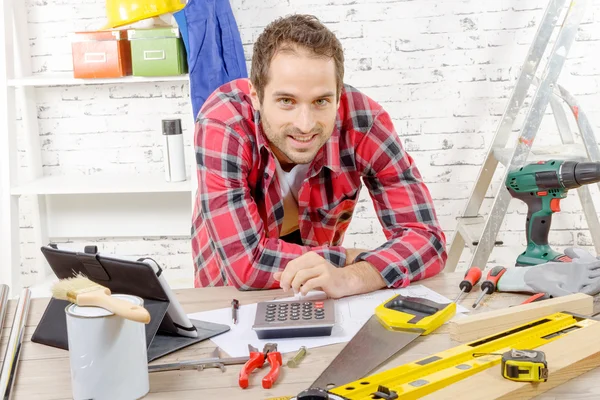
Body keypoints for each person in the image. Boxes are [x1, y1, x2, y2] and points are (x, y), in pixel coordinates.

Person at [191, 14, 447, 299]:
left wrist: (352, 277)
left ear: (339, 96)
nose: (305, 124)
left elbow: (427, 240)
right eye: (286, 101)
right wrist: (348, 258)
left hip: (318, 293)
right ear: (255, 94)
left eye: (321, 101)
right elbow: (246, 263)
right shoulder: (223, 122)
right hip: (230, 297)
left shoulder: (365, 123)